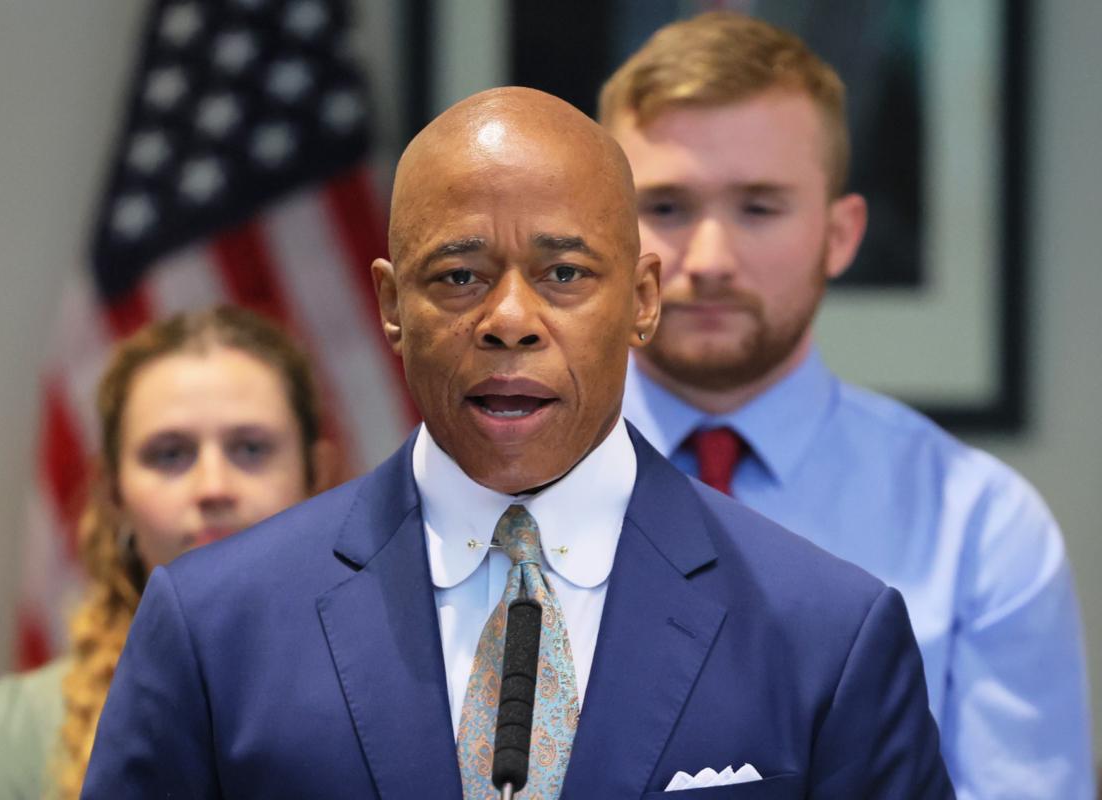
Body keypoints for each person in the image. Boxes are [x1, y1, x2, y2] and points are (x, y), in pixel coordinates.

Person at [82, 86, 953, 798]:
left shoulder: (828, 636)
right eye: (458, 277)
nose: (508, 321)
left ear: (644, 299)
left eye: (564, 274)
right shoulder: (211, 628)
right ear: (390, 306)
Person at [601, 12, 1092, 798]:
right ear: (603, 231)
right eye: (665, 207)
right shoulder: (495, 493)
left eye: (759, 208)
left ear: (841, 233)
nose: (709, 260)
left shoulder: (981, 530)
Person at [0, 305, 333, 799]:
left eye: (250, 449)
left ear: (318, 477)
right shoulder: (17, 733)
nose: (213, 487)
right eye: (170, 454)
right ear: (115, 494)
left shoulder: (410, 696)